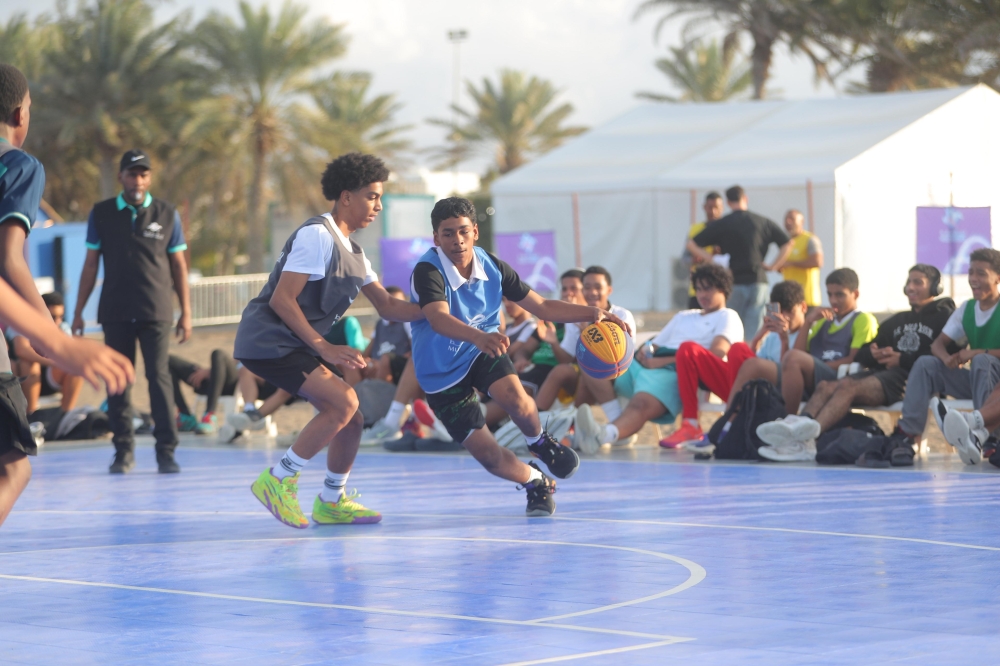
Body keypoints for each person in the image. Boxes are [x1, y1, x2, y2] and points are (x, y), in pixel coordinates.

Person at [409, 197, 630, 516]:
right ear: (436, 238)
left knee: (517, 397)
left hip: (479, 352)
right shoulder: (428, 270)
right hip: (441, 372)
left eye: (462, 232)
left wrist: (594, 312)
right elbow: (438, 319)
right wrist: (480, 336)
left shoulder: (493, 267)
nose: (456, 240)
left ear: (475, 232)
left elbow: (541, 306)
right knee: (489, 457)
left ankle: (539, 441)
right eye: (447, 233)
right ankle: (536, 481)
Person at [235, 152, 422, 529]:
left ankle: (331, 501)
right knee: (345, 400)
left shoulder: (356, 254)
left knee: (352, 417)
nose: (378, 205)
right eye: (372, 196)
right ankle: (279, 479)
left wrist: (438, 313)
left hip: (292, 344)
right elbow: (282, 299)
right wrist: (324, 347)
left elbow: (387, 305)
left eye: (380, 197)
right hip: (268, 339)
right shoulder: (316, 235)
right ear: (346, 196)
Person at [0, 63, 134, 526]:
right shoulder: (17, 165)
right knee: (13, 471)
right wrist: (52, 339)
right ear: (20, 114)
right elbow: (8, 258)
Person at [72, 149, 192, 475]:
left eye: (143, 174)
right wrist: (79, 312)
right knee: (118, 384)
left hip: (157, 311)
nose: (137, 180)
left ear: (149, 178)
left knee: (159, 379)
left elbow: (178, 266)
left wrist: (187, 312)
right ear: (122, 177)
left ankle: (166, 452)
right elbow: (90, 264)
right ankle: (123, 452)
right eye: (131, 173)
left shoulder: (167, 213)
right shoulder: (102, 213)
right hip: (115, 311)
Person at [757, 265, 955, 461]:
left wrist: (901, 359)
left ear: (935, 286)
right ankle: (798, 430)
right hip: (878, 374)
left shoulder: (944, 317)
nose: (910, 287)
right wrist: (876, 353)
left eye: (917, 282)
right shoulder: (898, 320)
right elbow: (863, 354)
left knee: (847, 386)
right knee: (826, 386)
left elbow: (948, 351)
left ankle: (807, 442)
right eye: (909, 282)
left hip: (906, 379)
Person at [574, 264, 743, 453]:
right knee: (594, 363)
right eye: (699, 289)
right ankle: (612, 425)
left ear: (723, 288)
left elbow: (716, 355)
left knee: (641, 403)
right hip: (648, 365)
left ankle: (603, 434)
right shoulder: (684, 316)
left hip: (677, 371)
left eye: (708, 288)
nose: (702, 294)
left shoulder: (728, 316)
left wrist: (660, 362)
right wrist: (646, 352)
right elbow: (656, 344)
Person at [889, 248, 1000, 458]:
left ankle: (988, 437)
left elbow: (979, 357)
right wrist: (947, 358)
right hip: (979, 381)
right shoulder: (967, 309)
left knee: (982, 361)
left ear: (998, 278)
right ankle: (907, 434)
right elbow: (937, 344)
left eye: (981, 274)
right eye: (971, 273)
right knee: (926, 363)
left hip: (993, 378)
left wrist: (976, 352)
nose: (973, 279)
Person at [534, 266, 637, 424]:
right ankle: (534, 423)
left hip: (620, 371)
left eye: (598, 287)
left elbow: (623, 356)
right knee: (562, 370)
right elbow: (565, 359)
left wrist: (586, 332)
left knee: (592, 361)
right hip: (588, 375)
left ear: (609, 290)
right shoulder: (577, 317)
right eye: (587, 287)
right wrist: (554, 341)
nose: (592, 292)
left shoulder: (621, 315)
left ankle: (612, 422)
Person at [688, 185, 792, 340]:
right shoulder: (762, 221)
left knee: (730, 328)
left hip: (733, 281)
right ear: (745, 199)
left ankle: (734, 361)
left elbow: (691, 244)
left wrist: (713, 260)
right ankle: (750, 359)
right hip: (758, 280)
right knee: (754, 332)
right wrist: (773, 265)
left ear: (728, 202)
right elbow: (787, 243)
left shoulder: (723, 223)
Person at [9, 292, 84, 414]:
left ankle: (65, 416)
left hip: (50, 378)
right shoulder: (23, 322)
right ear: (40, 312)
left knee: (76, 369)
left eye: (61, 317)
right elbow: (21, 350)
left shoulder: (63, 328)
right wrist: (55, 362)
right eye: (53, 317)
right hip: (22, 379)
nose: (58, 321)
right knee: (30, 364)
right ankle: (31, 415)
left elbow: (69, 355)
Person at [168, 350, 240, 434]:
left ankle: (209, 416)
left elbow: (247, 366)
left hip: (234, 384)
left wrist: (210, 371)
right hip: (216, 379)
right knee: (168, 360)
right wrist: (211, 371)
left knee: (218, 354)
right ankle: (185, 416)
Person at [770, 209, 823, 307]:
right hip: (790, 298)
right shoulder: (786, 242)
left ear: (802, 222)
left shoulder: (810, 239)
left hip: (807, 299)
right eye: (786, 219)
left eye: (792, 219)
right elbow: (782, 266)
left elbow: (817, 261)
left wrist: (791, 263)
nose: (788, 222)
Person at [360, 286, 411, 385]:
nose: (395, 307)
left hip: (395, 368)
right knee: (352, 364)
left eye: (398, 303)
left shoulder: (407, 322)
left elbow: (414, 353)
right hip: (377, 364)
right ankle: (354, 397)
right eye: (391, 303)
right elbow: (366, 353)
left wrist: (382, 364)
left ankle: (381, 397)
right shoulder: (380, 323)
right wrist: (366, 362)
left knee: (385, 360)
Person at [683, 192, 724, 309]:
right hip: (697, 290)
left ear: (722, 208)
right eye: (710, 207)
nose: (713, 211)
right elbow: (684, 259)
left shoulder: (727, 229)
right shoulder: (695, 229)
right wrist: (694, 260)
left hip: (720, 290)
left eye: (716, 207)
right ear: (704, 207)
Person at [322, 314, 368, 385]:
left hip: (363, 358)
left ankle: (356, 394)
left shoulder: (349, 322)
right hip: (333, 363)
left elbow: (357, 352)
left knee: (349, 364)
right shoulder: (317, 329)